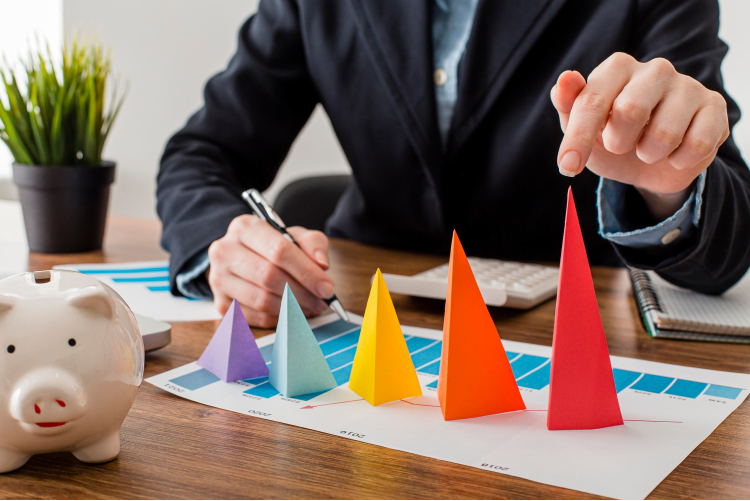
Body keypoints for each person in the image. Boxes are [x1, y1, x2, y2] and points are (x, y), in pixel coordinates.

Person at [157, 0, 750, 327]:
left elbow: (731, 241)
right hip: (358, 314)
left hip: (567, 331)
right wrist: (225, 247)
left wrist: (673, 193)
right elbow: (201, 152)